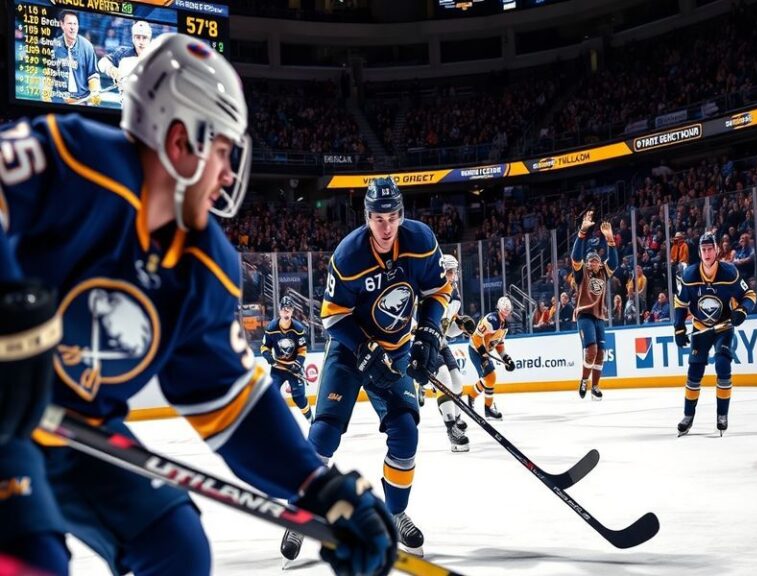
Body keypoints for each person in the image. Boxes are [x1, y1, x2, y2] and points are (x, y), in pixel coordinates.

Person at [0, 34, 396, 576]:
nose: (231, 174)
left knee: (176, 547)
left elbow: (231, 402)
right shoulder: (73, 159)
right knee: (31, 558)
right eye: (225, 151)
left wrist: (318, 486)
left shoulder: (204, 263)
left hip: (73, 430)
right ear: (182, 141)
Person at [280, 176, 451, 561]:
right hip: (349, 349)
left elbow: (438, 292)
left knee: (406, 432)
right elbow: (332, 317)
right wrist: (363, 348)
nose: (386, 227)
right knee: (323, 433)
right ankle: (298, 510)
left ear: (402, 215)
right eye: (378, 218)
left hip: (396, 350)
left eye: (392, 218)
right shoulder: (348, 255)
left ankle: (396, 514)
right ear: (367, 217)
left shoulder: (421, 241)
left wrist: (427, 330)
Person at [673, 232, 756, 436]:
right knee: (694, 372)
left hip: (724, 327)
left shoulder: (729, 273)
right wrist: (678, 327)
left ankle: (722, 415)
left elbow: (750, 295)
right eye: (704, 250)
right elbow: (680, 303)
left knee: (722, 365)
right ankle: (688, 416)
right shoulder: (690, 275)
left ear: (717, 250)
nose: (707, 253)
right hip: (701, 328)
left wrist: (742, 310)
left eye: (710, 249)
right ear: (700, 253)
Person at [571, 210, 618, 400]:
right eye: (590, 260)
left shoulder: (604, 273)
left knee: (601, 353)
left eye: (596, 260)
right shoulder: (582, 272)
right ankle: (584, 380)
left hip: (599, 316)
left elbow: (613, 262)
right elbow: (575, 257)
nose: (593, 262)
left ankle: (595, 387)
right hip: (584, 315)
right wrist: (582, 233)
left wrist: (610, 239)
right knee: (591, 350)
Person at [433, 254, 472, 452]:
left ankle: (455, 416)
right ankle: (451, 429)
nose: (454, 275)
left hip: (441, 342)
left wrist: (462, 327)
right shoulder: (430, 290)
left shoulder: (453, 295)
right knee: (444, 378)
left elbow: (448, 329)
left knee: (456, 380)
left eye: (455, 271)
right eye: (450, 271)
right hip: (424, 343)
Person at [260, 295, 312, 423]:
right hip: (278, 369)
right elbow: (264, 346)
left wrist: (298, 364)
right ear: (279, 310)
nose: (286, 312)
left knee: (299, 398)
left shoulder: (298, 329)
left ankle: (312, 421)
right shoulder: (272, 328)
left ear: (293, 311)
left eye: (288, 309)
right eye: (283, 309)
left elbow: (302, 350)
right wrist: (268, 357)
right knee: (272, 396)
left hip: (294, 368)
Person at [466, 296, 516, 420]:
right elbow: (477, 337)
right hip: (476, 350)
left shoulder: (504, 326)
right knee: (490, 377)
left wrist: (506, 358)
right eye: (505, 310)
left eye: (508, 310)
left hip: (484, 352)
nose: (506, 312)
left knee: (488, 379)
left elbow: (498, 344)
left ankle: (472, 397)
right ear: (499, 309)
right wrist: (483, 355)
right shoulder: (491, 320)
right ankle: (488, 408)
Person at [43, 10, 101, 105]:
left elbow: (93, 74)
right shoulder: (54, 46)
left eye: (75, 24)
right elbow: (49, 75)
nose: (72, 27)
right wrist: (46, 97)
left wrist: (95, 92)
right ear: (62, 25)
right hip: (60, 100)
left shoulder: (87, 47)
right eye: (70, 23)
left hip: (83, 100)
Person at [97, 20, 153, 95]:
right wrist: (112, 70)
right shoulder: (123, 53)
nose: (141, 42)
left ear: (150, 40)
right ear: (133, 39)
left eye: (144, 38)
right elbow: (102, 63)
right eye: (138, 37)